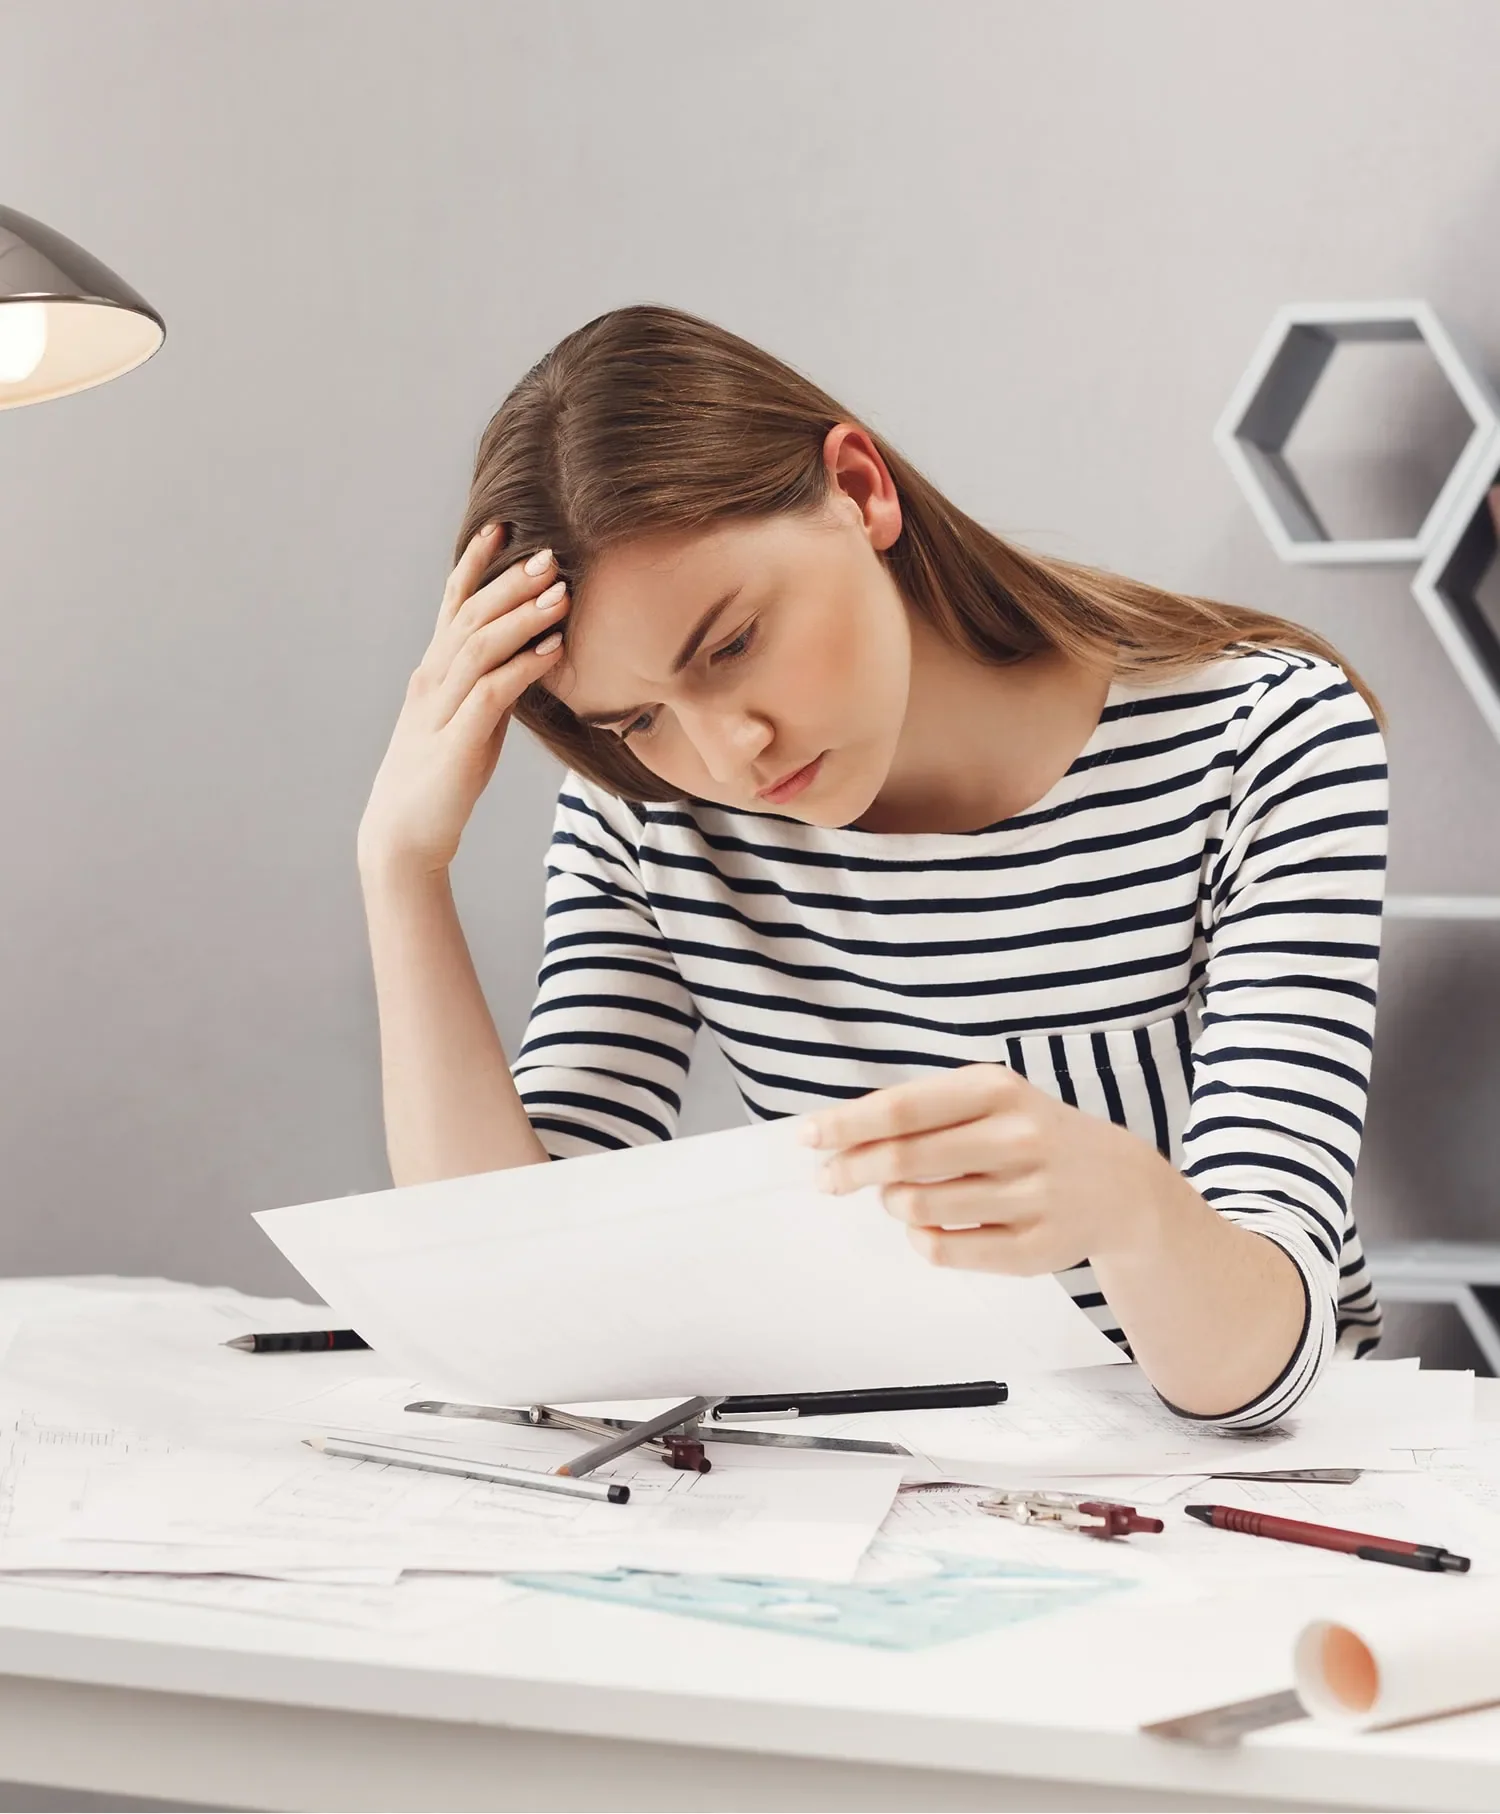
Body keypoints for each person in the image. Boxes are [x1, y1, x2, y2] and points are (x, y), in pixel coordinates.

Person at [357, 304, 1385, 1429]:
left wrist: (1128, 1206)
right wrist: (402, 869)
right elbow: (512, 1291)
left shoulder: (1263, 741)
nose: (727, 754)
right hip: (901, 1485)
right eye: (641, 716)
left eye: (735, 642)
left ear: (860, 489)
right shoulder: (648, 816)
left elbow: (1259, 1358)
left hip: (1257, 1487)